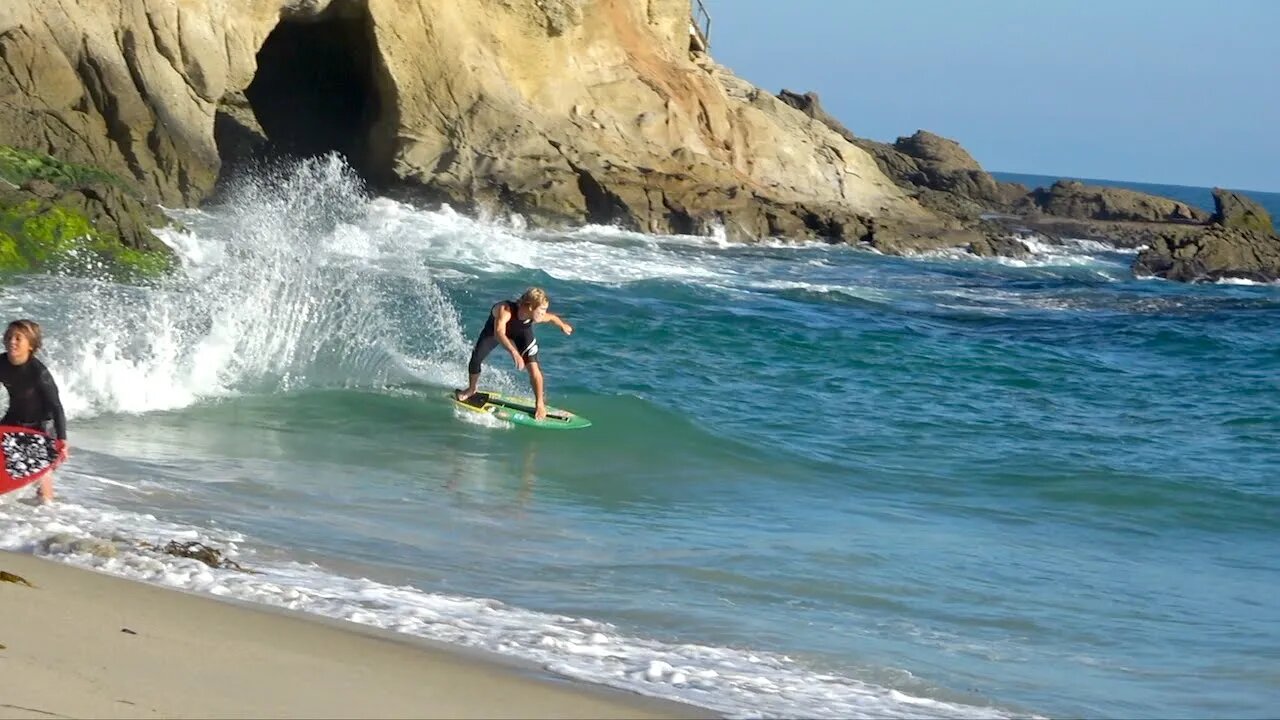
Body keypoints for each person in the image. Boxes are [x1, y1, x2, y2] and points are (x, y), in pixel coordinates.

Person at [455, 287, 573, 420]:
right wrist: (514, 352)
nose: (543, 313)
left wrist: (562, 325)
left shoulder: (535, 315)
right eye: (541, 310)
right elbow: (499, 333)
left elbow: (551, 318)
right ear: (530, 307)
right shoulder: (505, 309)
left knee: (534, 369)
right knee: (476, 359)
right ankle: (471, 389)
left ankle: (540, 403)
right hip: (493, 332)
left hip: (522, 335)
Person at [0, 319, 68, 504]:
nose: (11, 341)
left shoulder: (39, 373)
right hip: (13, 420)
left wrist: (62, 439)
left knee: (40, 473)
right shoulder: (1, 363)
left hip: (41, 427)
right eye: (9, 336)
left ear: (30, 345)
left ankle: (48, 512)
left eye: (18, 338)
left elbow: (56, 406)